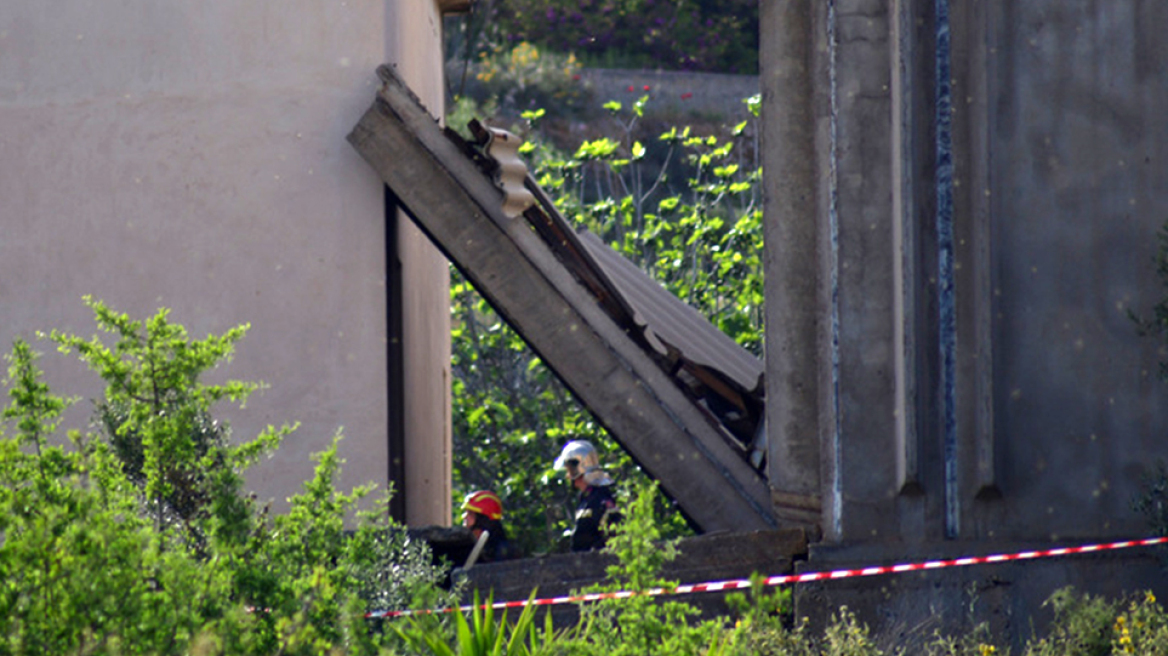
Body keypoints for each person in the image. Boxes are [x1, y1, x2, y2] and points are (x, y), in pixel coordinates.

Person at [554, 440, 620, 552]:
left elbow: (584, 541)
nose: (567, 476)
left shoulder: (598, 500)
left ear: (579, 469)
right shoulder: (587, 498)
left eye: (569, 470)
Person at [460, 489, 517, 565]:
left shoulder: (502, 553)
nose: (464, 516)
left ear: (483, 520)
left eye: (470, 513)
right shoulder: (465, 547)